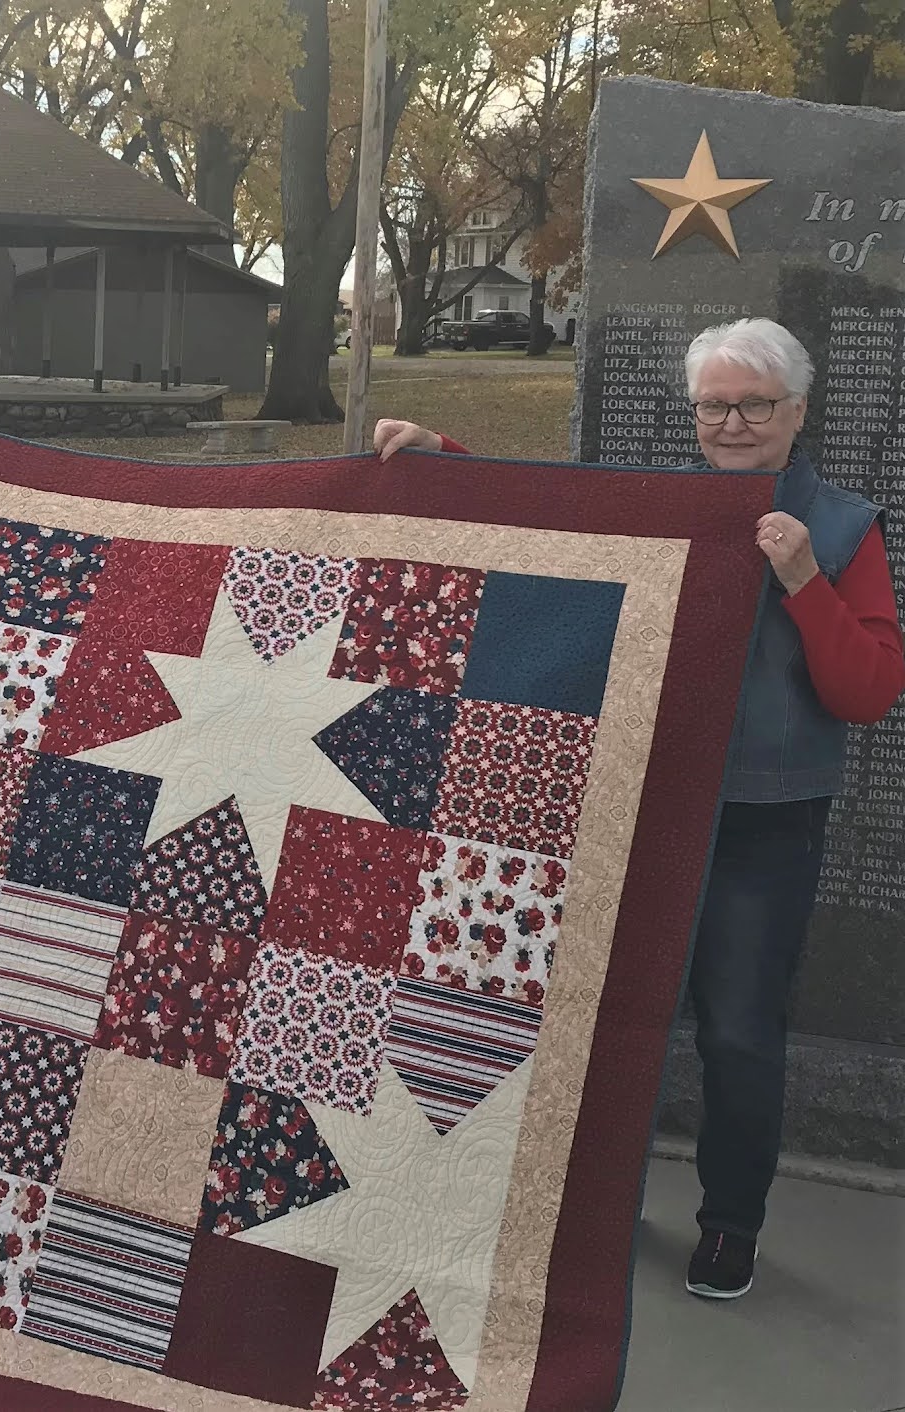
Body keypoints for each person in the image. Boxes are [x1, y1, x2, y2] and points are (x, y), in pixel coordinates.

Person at [375, 317, 903, 1301]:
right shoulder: (669, 503)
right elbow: (545, 525)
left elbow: (866, 690)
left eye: (752, 403)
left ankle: (727, 1222)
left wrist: (800, 581)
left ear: (795, 411)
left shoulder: (841, 525)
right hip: (638, 810)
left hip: (759, 825)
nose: (732, 422)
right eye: (714, 404)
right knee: (608, 1019)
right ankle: (603, 1204)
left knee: (739, 1031)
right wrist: (441, 461)